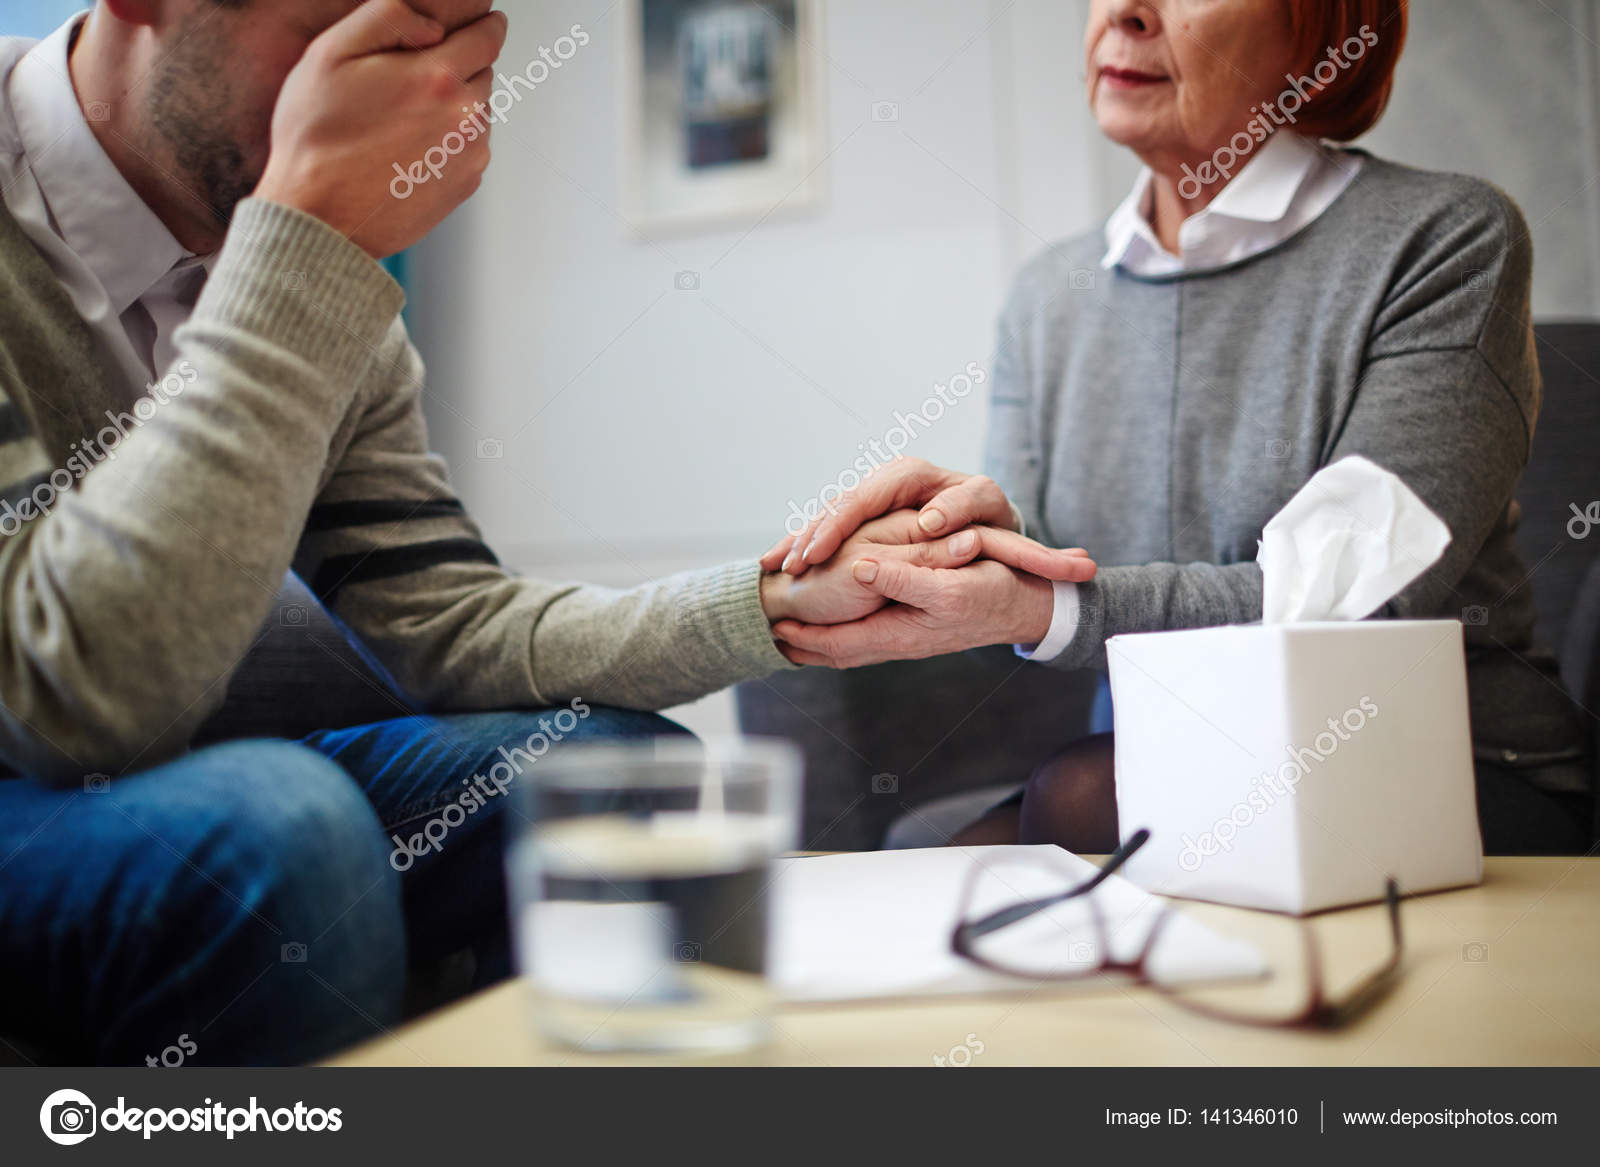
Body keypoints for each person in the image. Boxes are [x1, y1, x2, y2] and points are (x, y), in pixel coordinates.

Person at [0, 0, 1098, 1065]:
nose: (389, 92)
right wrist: (314, 238)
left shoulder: (303, 259)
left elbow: (442, 619)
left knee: (620, 776)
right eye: (345, 31)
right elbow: (71, 705)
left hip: (177, 779)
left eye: (439, 41)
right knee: (277, 833)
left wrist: (782, 601)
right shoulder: (306, 245)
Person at [766, 0, 1595, 856]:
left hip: (1450, 769)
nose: (1124, 11)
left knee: (1075, 801)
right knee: (938, 887)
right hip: (1153, 767)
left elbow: (1347, 600)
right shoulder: (1050, 296)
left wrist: (1042, 600)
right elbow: (1019, 614)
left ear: (1317, 32)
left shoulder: (1448, 239)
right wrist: (945, 553)